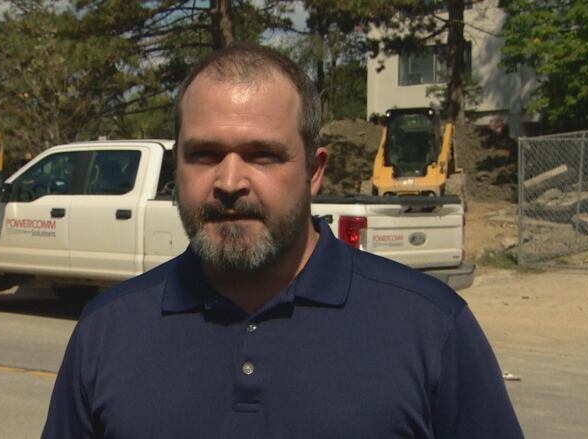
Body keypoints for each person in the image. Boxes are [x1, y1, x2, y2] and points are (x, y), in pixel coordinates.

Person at [42, 43, 523, 438]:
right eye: (204, 154)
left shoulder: (431, 328)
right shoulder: (107, 330)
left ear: (314, 172)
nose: (230, 181)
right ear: (178, 169)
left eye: (263, 156)